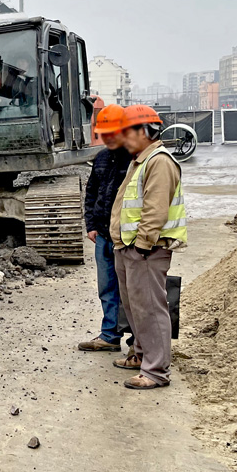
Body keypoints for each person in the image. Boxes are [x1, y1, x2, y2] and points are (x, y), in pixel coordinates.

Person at [110, 105, 188, 390]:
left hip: (145, 249)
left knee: (151, 309)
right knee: (134, 307)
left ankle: (156, 371)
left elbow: (155, 210)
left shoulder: (160, 161)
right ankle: (140, 354)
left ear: (144, 132)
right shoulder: (140, 161)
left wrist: (142, 245)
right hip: (129, 247)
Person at [77, 104, 133, 353]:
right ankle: (109, 336)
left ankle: (137, 342)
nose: (107, 138)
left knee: (132, 292)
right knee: (107, 288)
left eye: (112, 133)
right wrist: (91, 225)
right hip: (103, 236)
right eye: (104, 133)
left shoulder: (135, 159)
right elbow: (91, 193)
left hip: (127, 237)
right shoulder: (101, 158)